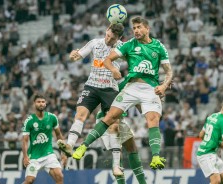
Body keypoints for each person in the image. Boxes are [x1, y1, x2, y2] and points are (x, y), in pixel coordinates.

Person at [72, 16, 173, 170]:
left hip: (150, 89)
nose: (136, 31)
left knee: (153, 120)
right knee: (110, 117)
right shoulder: (129, 45)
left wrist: (164, 86)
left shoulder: (159, 47)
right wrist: (113, 69)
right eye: (134, 28)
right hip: (131, 87)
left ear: (147, 28)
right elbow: (107, 59)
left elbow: (169, 71)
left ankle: (156, 157)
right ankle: (83, 146)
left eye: (139, 27)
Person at [57, 23, 147, 182]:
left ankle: (118, 167)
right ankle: (70, 145)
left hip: (109, 91)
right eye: (107, 35)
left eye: (112, 38)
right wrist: (73, 55)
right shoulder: (95, 43)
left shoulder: (122, 48)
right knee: (81, 114)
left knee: (124, 137)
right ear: (106, 31)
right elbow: (77, 55)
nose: (108, 39)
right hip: (92, 87)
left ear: (118, 38)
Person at [22, 94, 65, 184]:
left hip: (48, 154)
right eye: (38, 102)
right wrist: (25, 157)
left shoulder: (52, 118)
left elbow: (59, 136)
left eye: (43, 102)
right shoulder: (29, 121)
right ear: (34, 104)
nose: (41, 104)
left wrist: (63, 152)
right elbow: (25, 141)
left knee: (59, 176)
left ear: (45, 104)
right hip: (33, 156)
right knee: (29, 181)